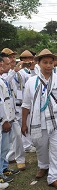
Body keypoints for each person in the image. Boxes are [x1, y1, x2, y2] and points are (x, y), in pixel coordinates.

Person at [21, 49, 57, 189]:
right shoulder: (31, 81)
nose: (48, 65)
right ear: (38, 63)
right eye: (44, 62)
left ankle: (53, 177)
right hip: (37, 121)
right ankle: (43, 165)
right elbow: (26, 104)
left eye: (50, 62)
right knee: (40, 146)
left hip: (56, 121)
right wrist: (24, 123)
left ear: (54, 63)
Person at [0, 56, 14, 189]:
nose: (3, 67)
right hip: (2, 120)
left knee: (5, 147)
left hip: (6, 119)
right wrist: (4, 120)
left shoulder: (1, 79)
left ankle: (3, 169)